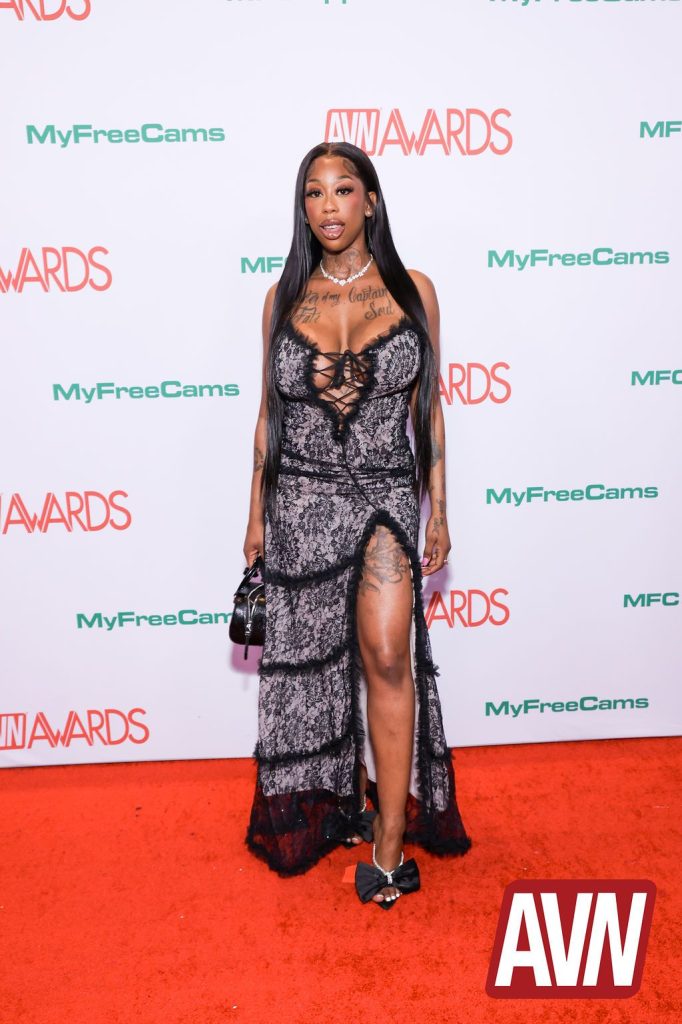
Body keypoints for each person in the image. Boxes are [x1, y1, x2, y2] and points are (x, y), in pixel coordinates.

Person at [242, 141, 471, 908]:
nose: (329, 205)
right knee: (313, 665)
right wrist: (255, 516)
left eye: (343, 189)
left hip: (383, 494)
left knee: (387, 652)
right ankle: (340, 801)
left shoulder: (413, 290)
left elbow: (428, 410)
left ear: (371, 201)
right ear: (303, 207)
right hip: (301, 501)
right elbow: (269, 416)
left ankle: (390, 844)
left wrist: (439, 505)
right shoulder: (282, 298)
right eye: (314, 192)